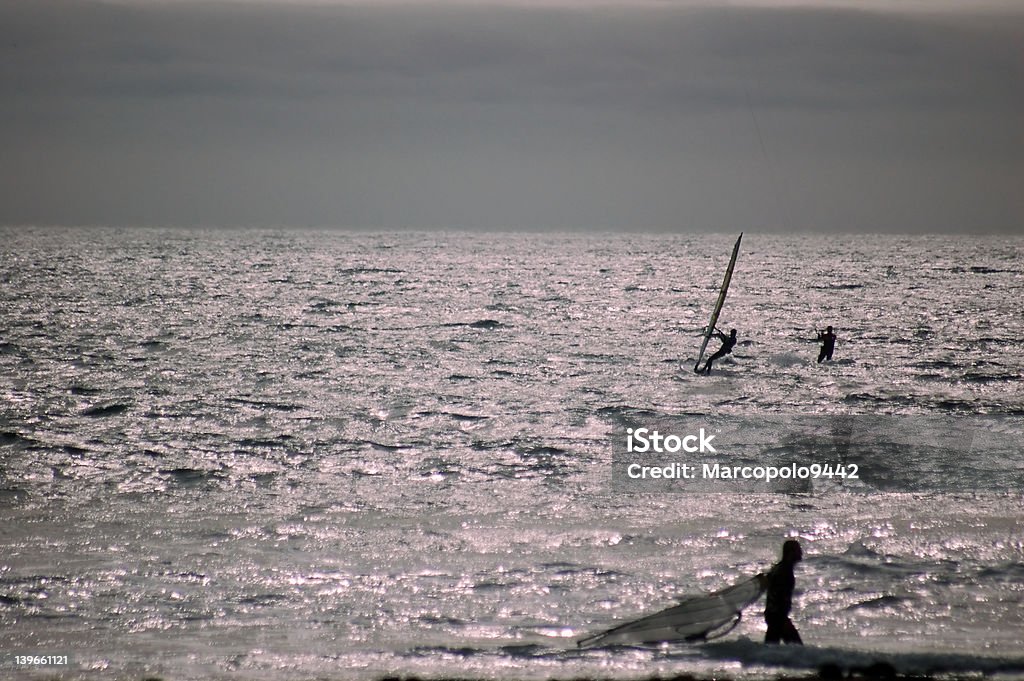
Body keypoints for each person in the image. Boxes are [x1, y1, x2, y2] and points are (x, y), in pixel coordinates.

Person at [759, 539, 804, 645]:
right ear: (790, 552)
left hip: (774, 616)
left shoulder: (778, 568)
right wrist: (782, 620)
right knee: (796, 648)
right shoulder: (784, 571)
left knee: (771, 647)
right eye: (798, 550)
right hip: (778, 617)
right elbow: (779, 597)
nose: (801, 553)